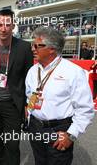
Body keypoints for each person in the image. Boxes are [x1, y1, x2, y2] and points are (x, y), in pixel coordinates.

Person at [25, 27, 95, 165]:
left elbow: (85, 109)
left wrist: (70, 135)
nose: (33, 49)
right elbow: (30, 97)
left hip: (59, 129)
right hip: (36, 127)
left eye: (37, 46)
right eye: (32, 45)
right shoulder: (33, 71)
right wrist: (29, 119)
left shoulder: (73, 72)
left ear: (52, 48)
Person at [0, 9, 33, 165]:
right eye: (0, 24)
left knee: (12, 144)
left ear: (13, 26)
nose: (3, 28)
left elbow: (28, 79)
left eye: (7, 25)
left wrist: (27, 105)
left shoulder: (24, 47)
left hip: (12, 104)